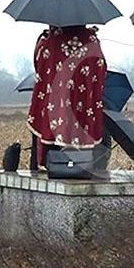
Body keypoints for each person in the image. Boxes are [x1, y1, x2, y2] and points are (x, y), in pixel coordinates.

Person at [27, 25, 107, 168]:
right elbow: (100, 70)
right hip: (83, 106)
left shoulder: (50, 41)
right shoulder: (92, 41)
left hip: (55, 103)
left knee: (50, 135)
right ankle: (83, 166)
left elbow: (40, 67)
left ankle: (48, 162)